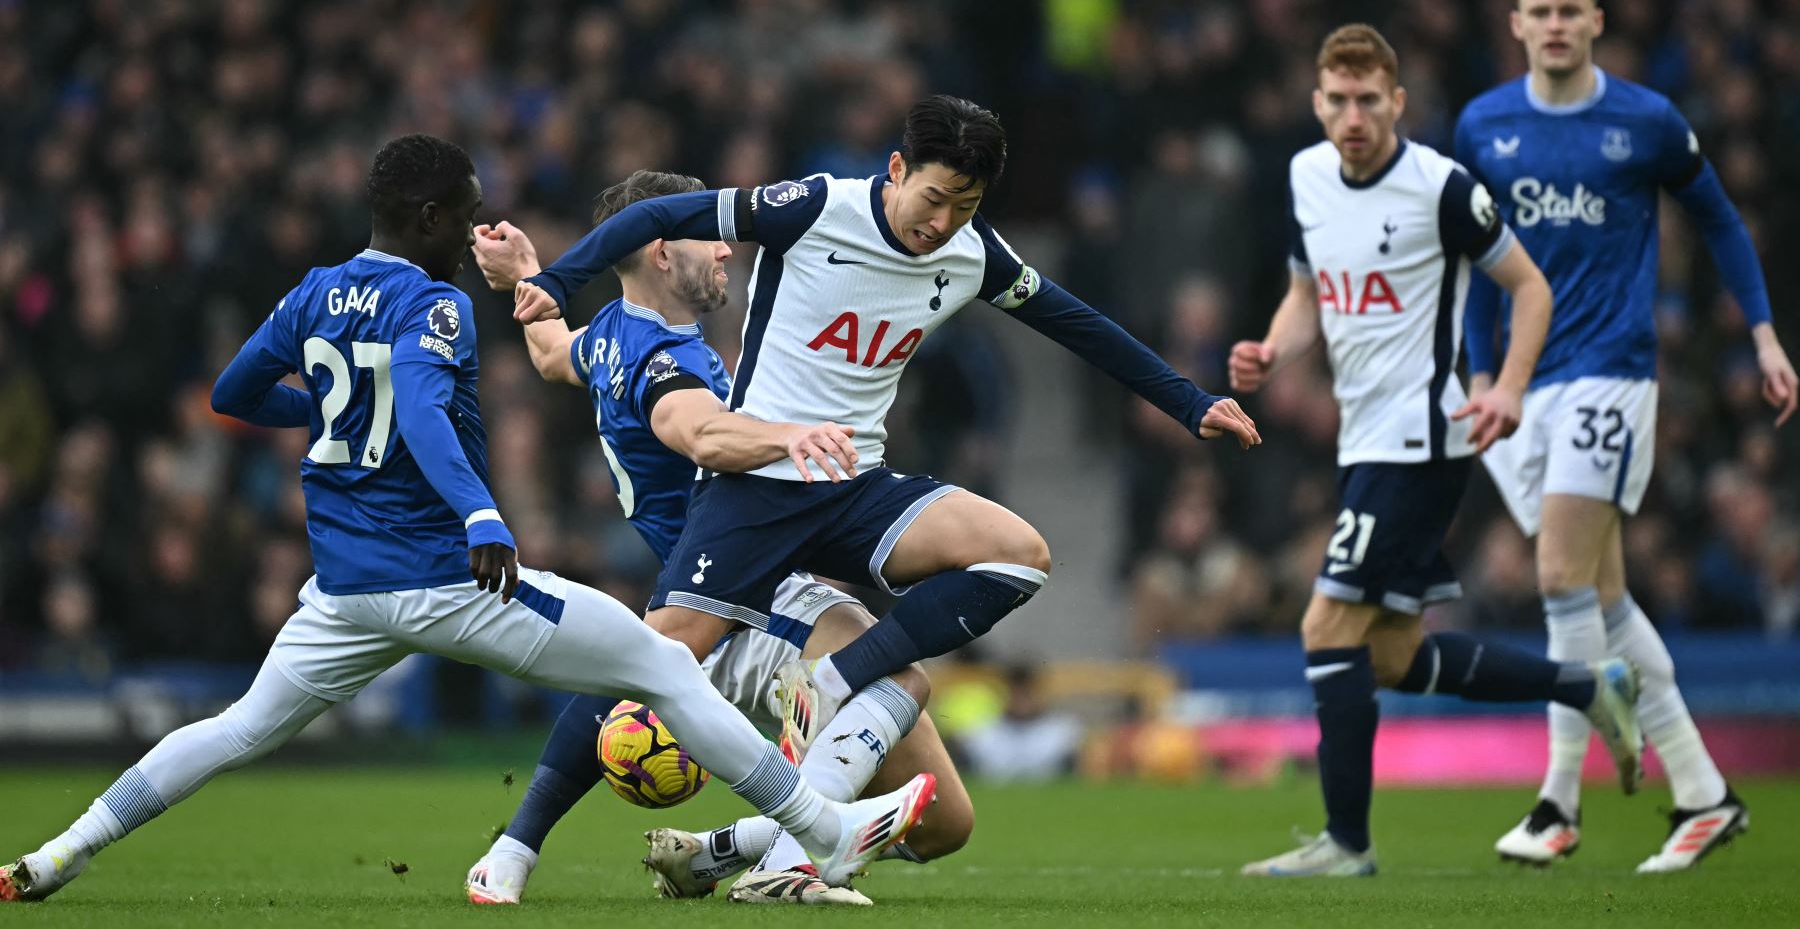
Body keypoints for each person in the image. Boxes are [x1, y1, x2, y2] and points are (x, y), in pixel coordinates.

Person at [0, 137, 931, 905]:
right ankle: (822, 827)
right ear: (430, 219)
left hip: (344, 592)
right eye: (470, 209)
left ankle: (63, 851)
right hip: (451, 577)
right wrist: (482, 512)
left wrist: (323, 412)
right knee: (658, 665)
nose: (478, 224)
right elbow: (418, 408)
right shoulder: (432, 302)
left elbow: (234, 394)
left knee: (238, 727)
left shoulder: (312, 291)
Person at [509, 95, 1261, 761]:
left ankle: (828, 689)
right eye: (933, 199)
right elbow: (653, 215)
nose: (942, 224)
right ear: (897, 169)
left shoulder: (974, 254)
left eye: (964, 206)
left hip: (851, 483)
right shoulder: (812, 206)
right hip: (753, 487)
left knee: (1019, 557)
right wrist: (553, 280)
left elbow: (1080, 326)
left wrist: (1190, 403)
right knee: (658, 665)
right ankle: (519, 842)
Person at [462, 171, 974, 906]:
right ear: (662, 252)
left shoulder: (609, 333)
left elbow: (548, 351)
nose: (731, 250)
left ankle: (708, 853)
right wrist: (790, 434)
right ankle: (788, 866)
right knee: (898, 674)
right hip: (742, 589)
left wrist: (522, 277)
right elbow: (698, 432)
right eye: (712, 236)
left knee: (943, 825)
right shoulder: (670, 362)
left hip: (715, 586)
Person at [1230, 25, 1643, 878]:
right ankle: (1587, 685)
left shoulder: (1442, 188)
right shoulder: (1307, 177)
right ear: (1317, 103)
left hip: (1423, 436)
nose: (1353, 117)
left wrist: (1509, 387)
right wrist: (1273, 349)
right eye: (1337, 101)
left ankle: (1347, 844)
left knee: (1324, 626)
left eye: (1368, 101)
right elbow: (1308, 295)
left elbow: (1530, 287)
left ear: (1397, 103)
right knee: (1389, 655)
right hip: (1366, 436)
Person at [1457, 0, 1796, 872]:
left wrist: (1763, 334)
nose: (1557, 22)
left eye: (1572, 8)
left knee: (1560, 575)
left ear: (1598, 20)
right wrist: (1485, 377)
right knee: (1603, 600)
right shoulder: (1485, 125)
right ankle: (1705, 794)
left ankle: (1558, 803)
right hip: (1524, 384)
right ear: (1517, 23)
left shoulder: (1643, 121)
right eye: (1541, 9)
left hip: (1612, 371)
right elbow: (1478, 267)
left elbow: (1722, 221)